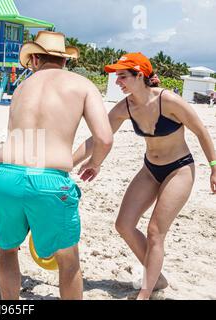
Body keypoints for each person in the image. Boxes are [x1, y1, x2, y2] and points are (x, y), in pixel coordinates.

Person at [73, 52, 216, 300]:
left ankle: (145, 292)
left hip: (179, 169)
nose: (118, 82)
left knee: (154, 231)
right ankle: (156, 276)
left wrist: (214, 167)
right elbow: (97, 138)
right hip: (150, 169)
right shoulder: (125, 107)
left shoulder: (169, 101)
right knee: (124, 224)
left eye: (123, 76)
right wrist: (65, 163)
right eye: (117, 77)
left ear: (140, 75)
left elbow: (201, 131)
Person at [0, 31, 114, 300]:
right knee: (68, 261)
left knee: (8, 249)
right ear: (65, 60)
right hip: (48, 181)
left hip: (4, 176)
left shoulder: (21, 88)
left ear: (33, 59)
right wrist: (95, 162)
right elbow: (103, 138)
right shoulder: (82, 85)